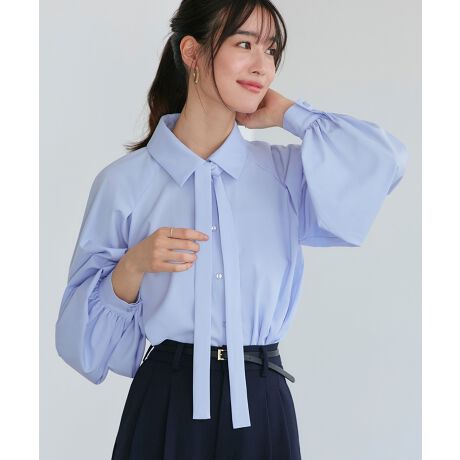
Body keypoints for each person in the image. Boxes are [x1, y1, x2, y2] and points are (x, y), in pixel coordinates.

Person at [54, 0, 409, 459]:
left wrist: (290, 114)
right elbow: (81, 346)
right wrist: (132, 266)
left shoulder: (284, 174)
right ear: (192, 52)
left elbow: (387, 162)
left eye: (271, 50)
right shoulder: (124, 183)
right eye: (244, 44)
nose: (263, 66)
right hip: (166, 405)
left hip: (262, 405)